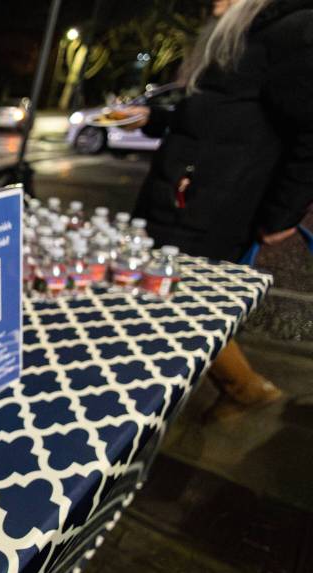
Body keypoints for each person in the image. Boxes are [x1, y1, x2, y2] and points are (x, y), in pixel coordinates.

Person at [123, 0, 313, 411]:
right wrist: (154, 120)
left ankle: (246, 391)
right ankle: (241, 389)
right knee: (171, 301)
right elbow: (218, 115)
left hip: (212, 207)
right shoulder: (241, 32)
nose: (213, 3)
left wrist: (281, 214)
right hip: (184, 197)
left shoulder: (291, 31)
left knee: (179, 306)